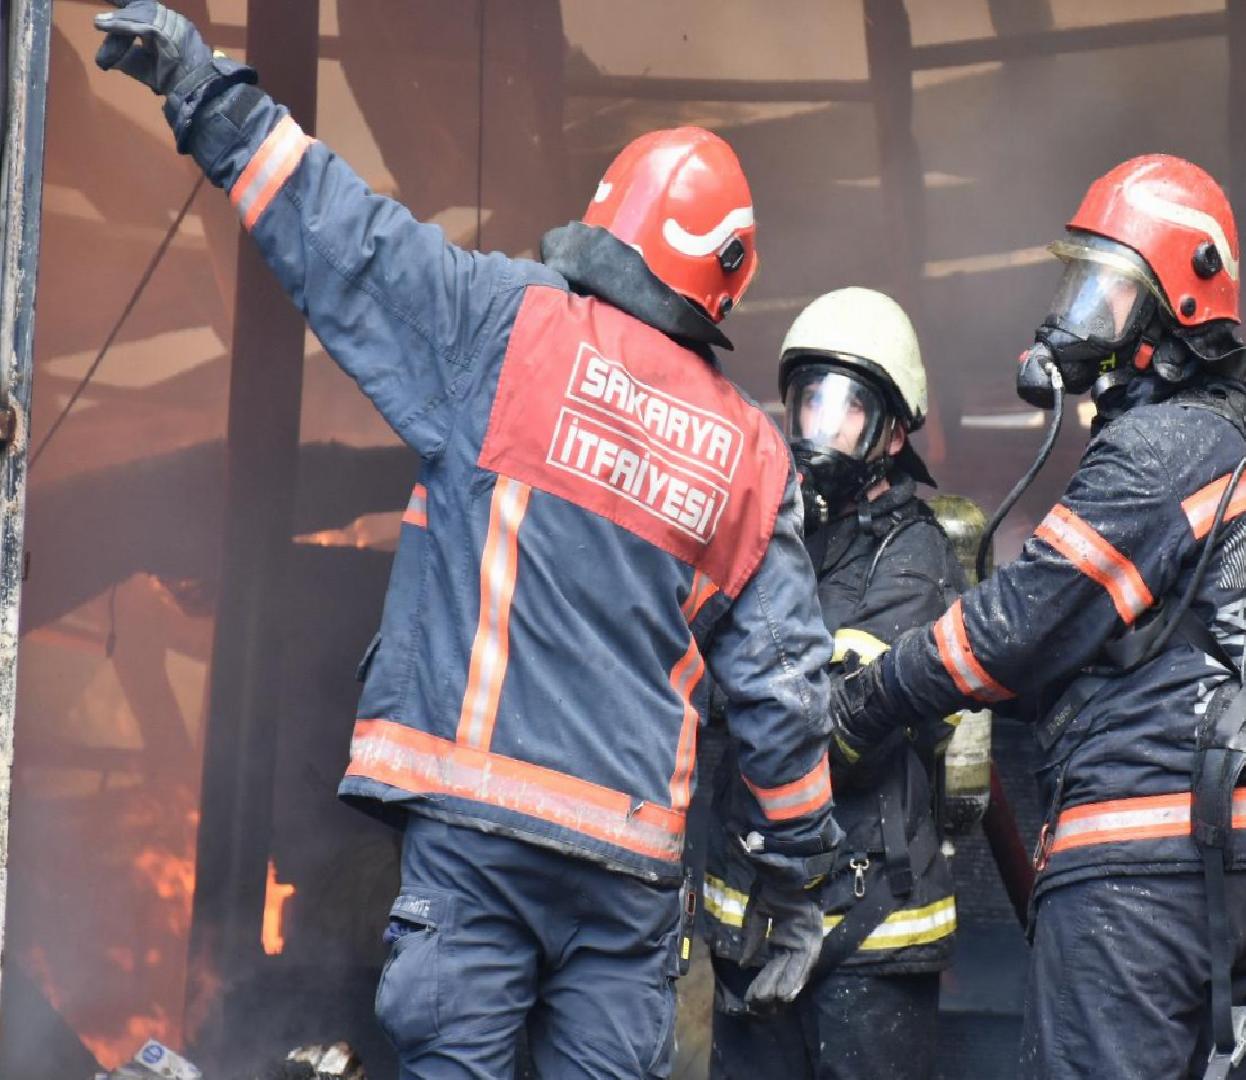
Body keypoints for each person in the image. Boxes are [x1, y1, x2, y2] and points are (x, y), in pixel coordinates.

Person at [93, 4, 842, 1077]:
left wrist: (201, 89)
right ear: (726, 278)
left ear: (604, 219)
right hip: (626, 875)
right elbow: (779, 694)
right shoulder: (750, 454)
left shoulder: (507, 329)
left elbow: (343, 239)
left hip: (479, 843)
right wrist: (800, 879)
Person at [827, 154, 1246, 1078]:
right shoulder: (1230, 443)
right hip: (1218, 856)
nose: (1075, 315)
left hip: (1144, 859)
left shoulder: (1160, 447)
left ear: (1178, 312)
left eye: (1108, 289)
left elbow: (1012, 632)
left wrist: (866, 701)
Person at [701, 288, 963, 1080]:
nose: (820, 427)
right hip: (752, 916)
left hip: (869, 930)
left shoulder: (914, 556)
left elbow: (832, 727)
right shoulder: (767, 539)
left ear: (892, 430)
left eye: (845, 406)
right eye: (809, 400)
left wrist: (746, 687)